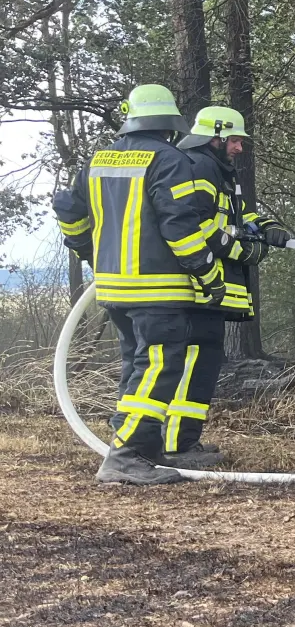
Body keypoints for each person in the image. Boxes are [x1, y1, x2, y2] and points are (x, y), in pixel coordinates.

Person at [53, 84, 227, 485]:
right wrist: (207, 274)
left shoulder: (98, 160)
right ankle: (126, 455)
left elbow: (67, 209)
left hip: (114, 289)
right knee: (159, 367)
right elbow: (180, 227)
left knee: (137, 367)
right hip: (159, 290)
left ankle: (139, 450)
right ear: (169, 122)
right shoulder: (170, 159)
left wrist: (89, 252)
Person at [173, 105, 292, 466]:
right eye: (235, 140)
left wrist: (268, 225)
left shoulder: (217, 170)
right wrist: (247, 252)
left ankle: (182, 440)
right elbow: (200, 225)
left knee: (203, 363)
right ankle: (177, 444)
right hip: (196, 288)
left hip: (205, 291)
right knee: (195, 365)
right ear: (216, 136)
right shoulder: (201, 165)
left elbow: (236, 216)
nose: (240, 147)